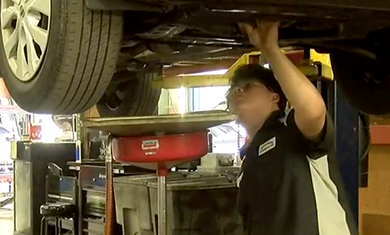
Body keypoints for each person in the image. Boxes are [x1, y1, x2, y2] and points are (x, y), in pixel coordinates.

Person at [228, 21, 358, 235]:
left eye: (247, 86)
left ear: (274, 97)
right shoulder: (248, 159)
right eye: (233, 90)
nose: (237, 92)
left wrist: (270, 50)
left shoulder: (289, 129)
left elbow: (314, 111)